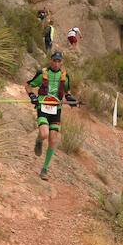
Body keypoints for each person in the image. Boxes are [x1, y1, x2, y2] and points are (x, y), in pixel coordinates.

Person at [26, 51, 75, 180]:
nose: (56, 63)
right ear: (50, 60)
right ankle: (38, 140)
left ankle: (45, 169)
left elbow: (67, 91)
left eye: (59, 61)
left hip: (56, 109)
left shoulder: (65, 76)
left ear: (61, 62)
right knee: (44, 134)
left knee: (53, 140)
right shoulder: (42, 74)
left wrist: (70, 99)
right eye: (54, 60)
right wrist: (32, 96)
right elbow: (28, 86)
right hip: (43, 106)